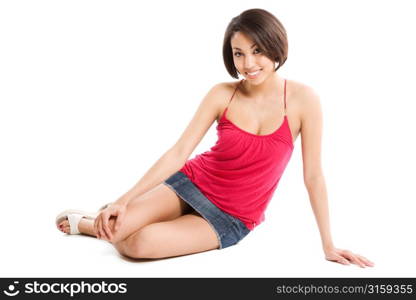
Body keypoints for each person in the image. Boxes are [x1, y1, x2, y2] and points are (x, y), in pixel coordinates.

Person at [55, 8, 374, 267]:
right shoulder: (222, 94)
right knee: (118, 227)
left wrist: (328, 244)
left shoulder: (305, 100)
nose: (248, 64)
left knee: (135, 244)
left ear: (276, 46)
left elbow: (314, 176)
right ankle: (98, 219)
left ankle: (96, 222)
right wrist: (123, 200)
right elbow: (179, 152)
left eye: (257, 50)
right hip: (191, 183)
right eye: (238, 53)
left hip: (232, 217)